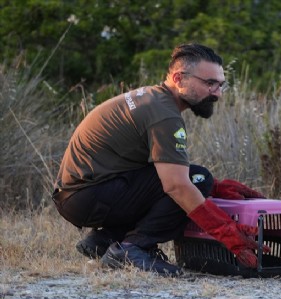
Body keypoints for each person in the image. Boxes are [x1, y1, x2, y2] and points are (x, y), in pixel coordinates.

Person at [52, 43, 267, 277]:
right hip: (88, 195)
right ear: (179, 78)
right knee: (197, 180)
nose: (217, 93)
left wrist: (217, 187)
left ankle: (104, 239)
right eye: (209, 83)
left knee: (196, 178)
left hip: (82, 194)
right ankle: (131, 248)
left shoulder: (152, 99)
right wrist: (228, 234)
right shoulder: (164, 115)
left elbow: (154, 172)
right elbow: (176, 186)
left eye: (220, 85)